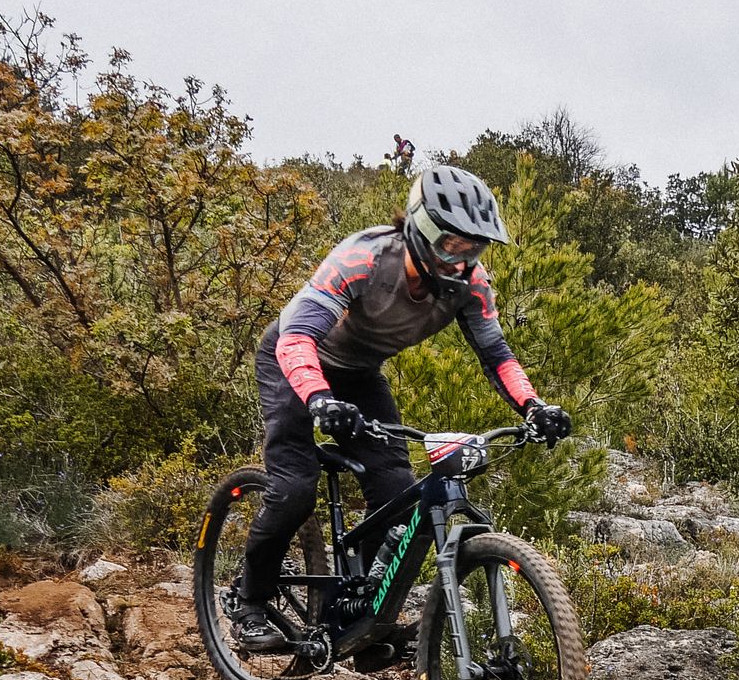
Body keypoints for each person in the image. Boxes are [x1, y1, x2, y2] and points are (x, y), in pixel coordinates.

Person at [237, 163, 571, 649]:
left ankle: (368, 618)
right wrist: (319, 398)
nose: (460, 260)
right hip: (295, 361)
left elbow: (497, 355)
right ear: (420, 228)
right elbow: (296, 337)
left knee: (396, 491)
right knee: (293, 489)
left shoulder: (472, 286)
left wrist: (534, 406)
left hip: (358, 373)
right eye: (450, 245)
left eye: (472, 248)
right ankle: (251, 601)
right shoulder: (363, 259)